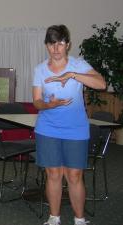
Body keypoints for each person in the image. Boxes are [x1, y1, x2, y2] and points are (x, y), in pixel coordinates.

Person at [32, 25, 106, 225]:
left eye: (60, 43)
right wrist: (49, 104)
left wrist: (72, 75)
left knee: (74, 175)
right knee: (53, 174)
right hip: (47, 129)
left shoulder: (78, 64)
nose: (56, 48)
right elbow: (37, 101)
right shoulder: (39, 69)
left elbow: (101, 83)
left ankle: (79, 219)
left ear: (68, 45)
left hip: (76, 129)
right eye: (51, 43)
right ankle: (54, 218)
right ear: (46, 46)